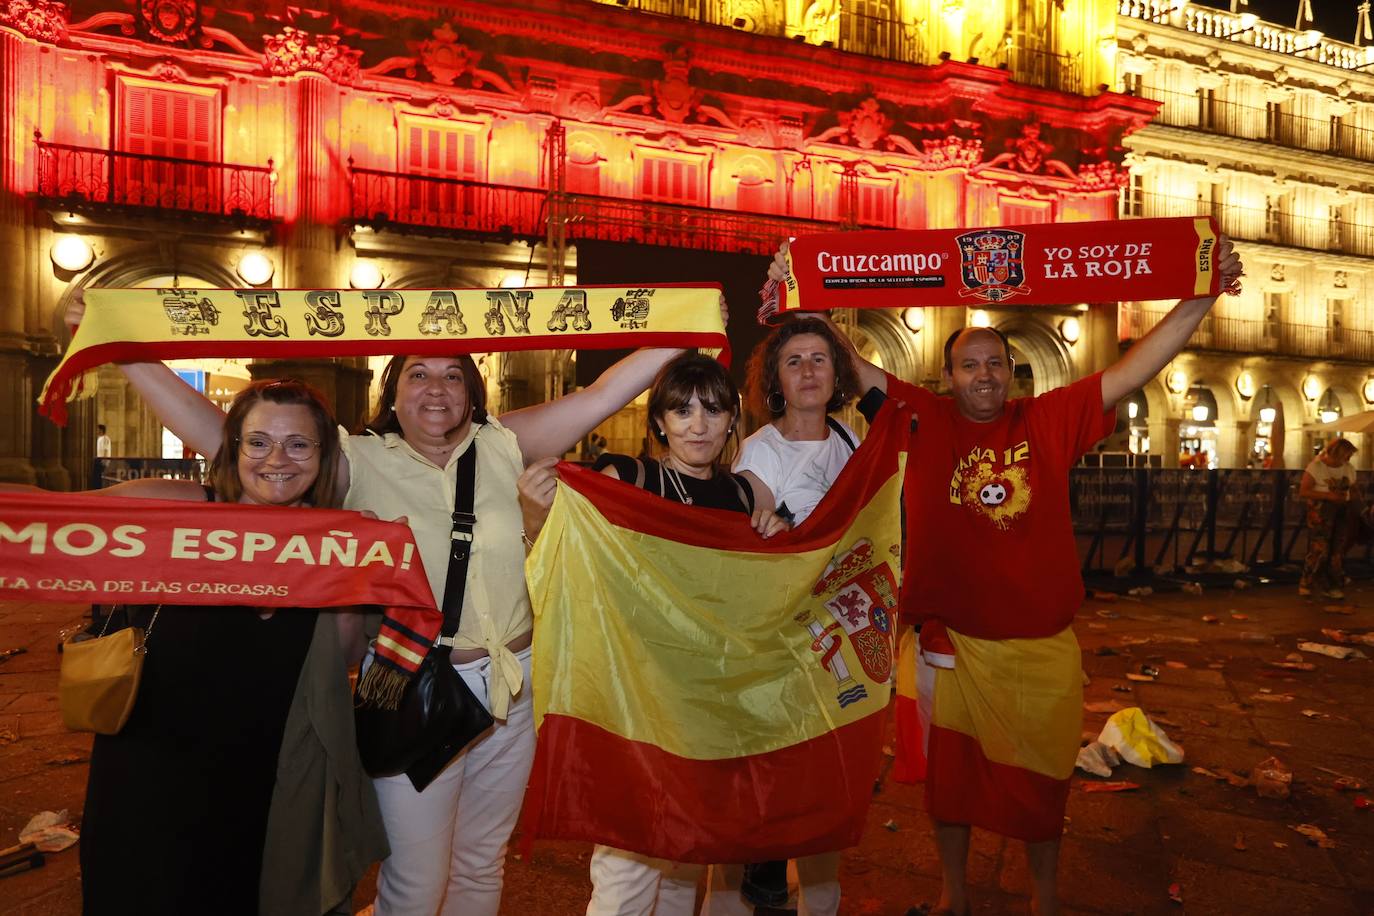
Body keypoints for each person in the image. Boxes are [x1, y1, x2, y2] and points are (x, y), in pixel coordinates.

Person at [69, 288, 707, 916]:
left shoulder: (505, 443)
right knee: (416, 878)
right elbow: (228, 436)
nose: (436, 389)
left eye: (453, 375)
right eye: (418, 374)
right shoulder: (354, 460)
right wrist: (124, 352)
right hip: (411, 684)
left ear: (472, 390)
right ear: (392, 389)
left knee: (482, 861)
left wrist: (686, 326)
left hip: (514, 686)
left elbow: (600, 396)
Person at [764, 236, 1243, 916]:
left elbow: (1134, 369)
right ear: (947, 375)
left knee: (1042, 785)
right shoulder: (920, 418)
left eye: (995, 364)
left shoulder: (1047, 420)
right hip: (948, 647)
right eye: (969, 365)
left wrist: (1200, 294)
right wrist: (798, 289)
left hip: (1037, 649)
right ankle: (953, 894)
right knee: (949, 789)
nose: (983, 375)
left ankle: (1044, 898)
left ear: (1013, 373)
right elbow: (849, 362)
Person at [4, 379, 388, 915]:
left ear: (324, 456)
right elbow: (53, 518)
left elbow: (345, 654)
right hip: (154, 771)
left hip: (271, 777)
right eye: (258, 442)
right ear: (232, 448)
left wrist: (353, 574)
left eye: (299, 444)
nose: (277, 459)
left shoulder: (336, 536)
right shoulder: (175, 505)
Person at [518, 352, 788, 916]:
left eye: (713, 411)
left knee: (683, 868)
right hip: (634, 702)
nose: (698, 424)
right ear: (658, 421)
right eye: (682, 410)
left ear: (731, 422)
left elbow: (763, 592)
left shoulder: (744, 496)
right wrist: (532, 514)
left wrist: (775, 532)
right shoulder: (627, 479)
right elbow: (564, 558)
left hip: (708, 706)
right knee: (626, 872)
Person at [700, 316, 862, 916]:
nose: (809, 371)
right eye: (794, 361)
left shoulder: (851, 440)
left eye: (820, 358)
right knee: (755, 791)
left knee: (823, 793)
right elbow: (753, 522)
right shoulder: (763, 450)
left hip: (836, 640)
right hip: (779, 647)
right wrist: (775, 527)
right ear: (775, 381)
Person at [1299, 436, 1360, 600]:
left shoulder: (1348, 468)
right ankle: (1308, 582)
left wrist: (1358, 505)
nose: (1348, 459)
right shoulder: (1316, 467)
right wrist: (1327, 496)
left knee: (1337, 550)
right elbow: (1304, 490)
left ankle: (1332, 584)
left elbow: (1354, 489)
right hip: (1321, 512)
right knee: (1319, 549)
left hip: (1342, 511)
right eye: (1346, 454)